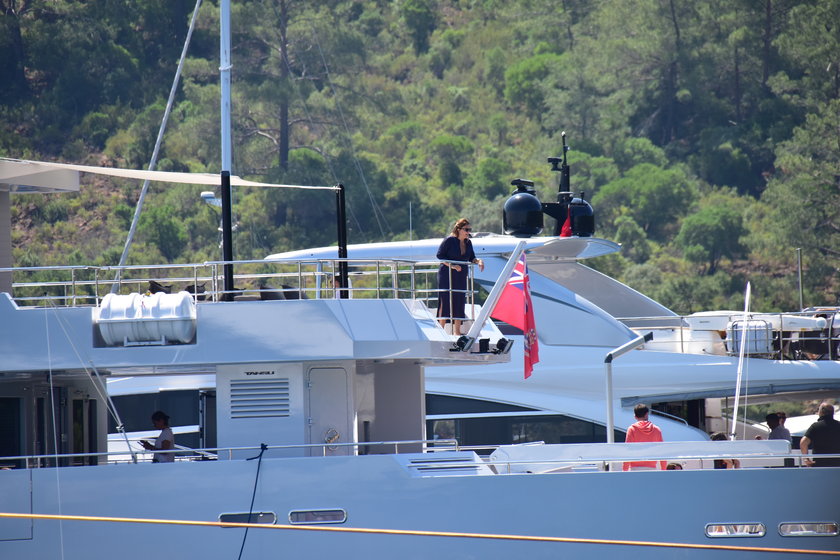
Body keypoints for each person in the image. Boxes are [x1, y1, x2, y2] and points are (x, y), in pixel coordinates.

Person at [436, 218, 483, 335]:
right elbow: (440, 256)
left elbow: (472, 258)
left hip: (461, 274)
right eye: (466, 229)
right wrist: (452, 266)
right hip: (446, 273)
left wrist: (479, 261)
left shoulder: (468, 243)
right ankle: (441, 331)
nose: (468, 232)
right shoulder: (449, 240)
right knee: (445, 299)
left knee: (459, 299)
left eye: (470, 230)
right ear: (459, 229)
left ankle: (457, 332)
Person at [623, 404, 666, 471]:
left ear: (635, 416)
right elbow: (662, 451)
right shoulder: (656, 429)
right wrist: (664, 469)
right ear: (647, 414)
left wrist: (624, 470)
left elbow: (628, 450)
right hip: (652, 468)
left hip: (635, 469)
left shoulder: (632, 429)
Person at [800, 402, 840, 467]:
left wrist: (806, 459)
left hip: (820, 464)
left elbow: (803, 442)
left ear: (821, 412)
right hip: (837, 465)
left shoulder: (815, 426)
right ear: (832, 413)